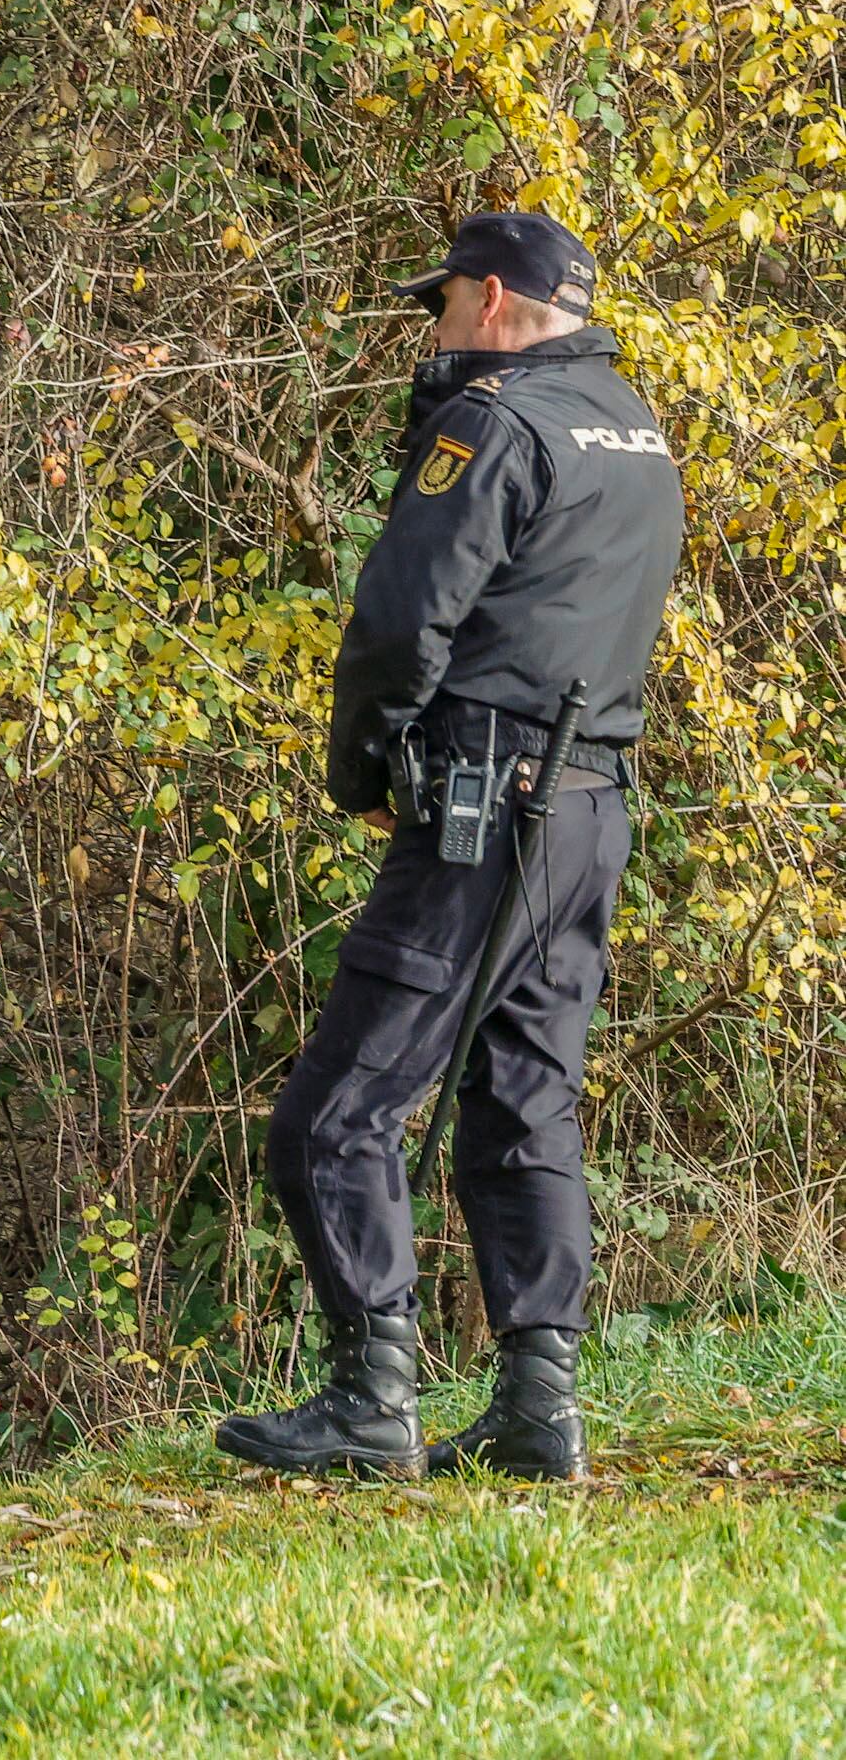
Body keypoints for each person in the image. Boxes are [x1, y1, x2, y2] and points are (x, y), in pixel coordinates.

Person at [217, 211, 684, 1481]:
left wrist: (360, 769)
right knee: (526, 1101)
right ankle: (538, 1405)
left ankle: (370, 1398)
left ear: (488, 298)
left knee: (335, 1108)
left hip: (487, 804)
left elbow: (399, 615)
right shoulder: (635, 430)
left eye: (441, 304)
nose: (433, 327)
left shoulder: (492, 422)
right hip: (591, 809)